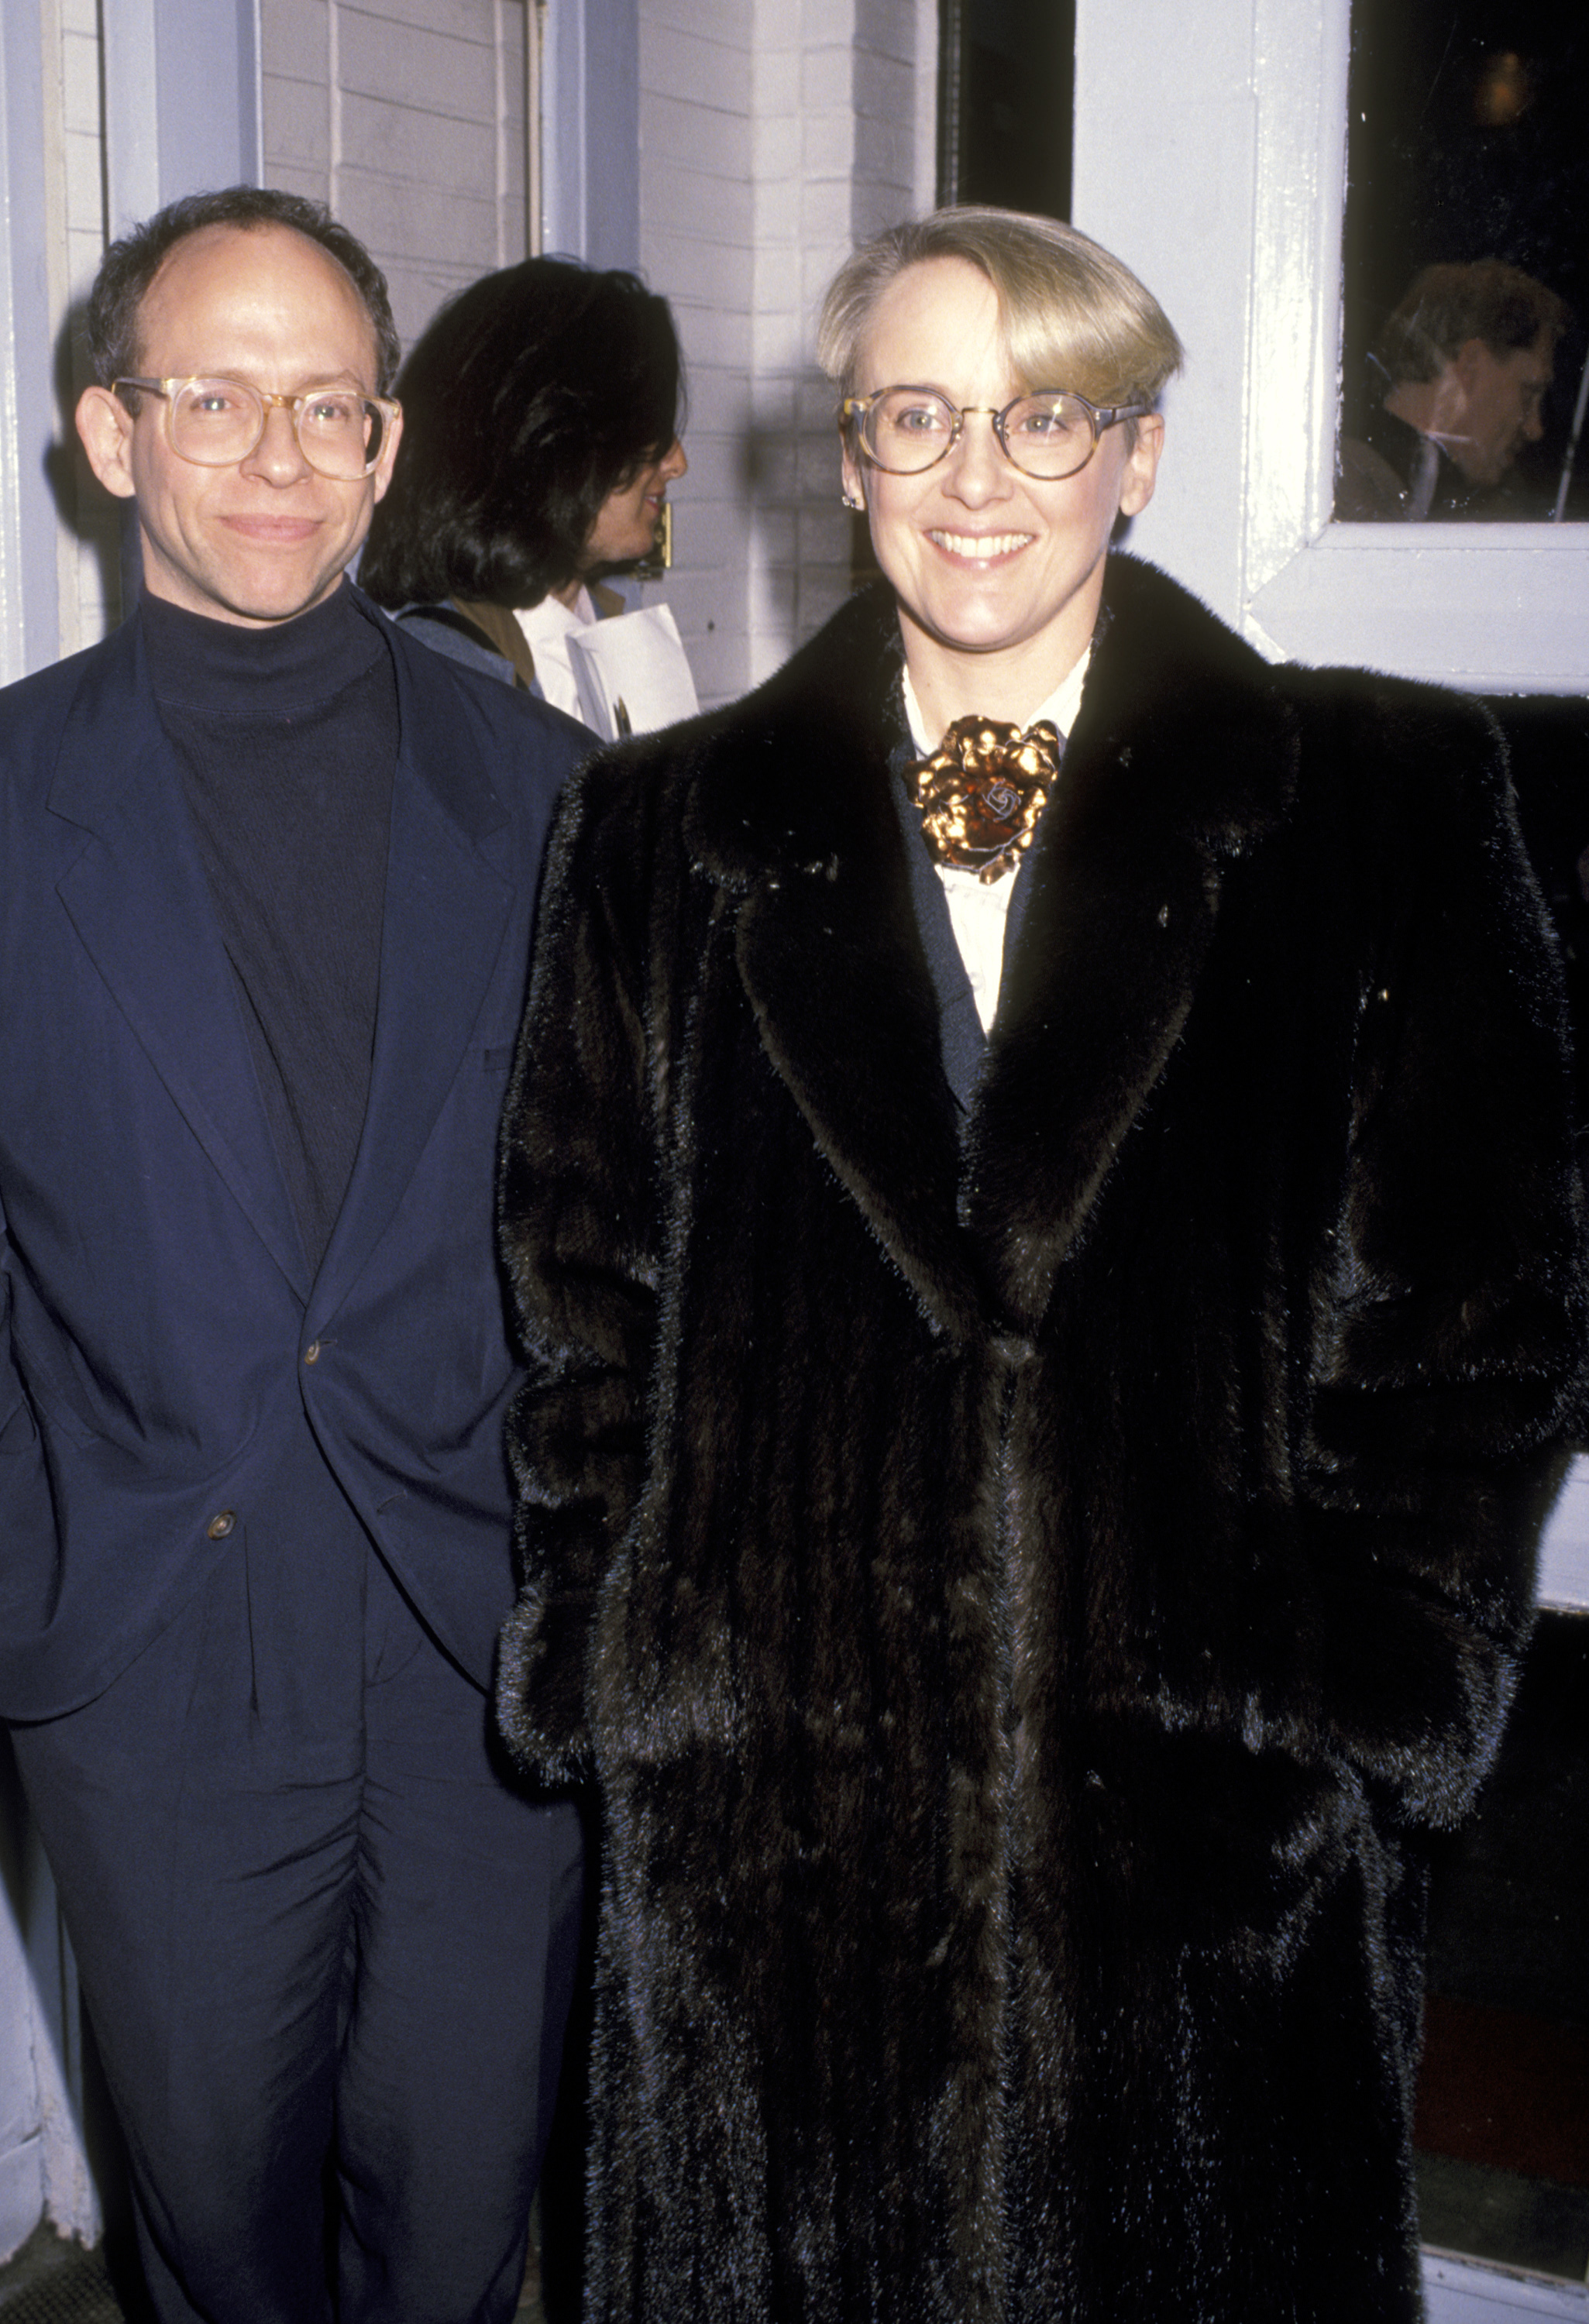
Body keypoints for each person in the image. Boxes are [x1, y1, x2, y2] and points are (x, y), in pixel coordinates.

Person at [492, 205, 1586, 2322]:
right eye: (919, 414)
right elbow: (576, 1291)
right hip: (764, 1868)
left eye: (1041, 416)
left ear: (1139, 452)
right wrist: (620, 1665)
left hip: (1208, 1852)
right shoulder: (646, 830)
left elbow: (1484, 1311)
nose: (977, 477)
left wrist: (1350, 1693)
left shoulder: (1385, 797)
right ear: (849, 456)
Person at [0, 186, 589, 2324]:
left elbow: (615, 1219)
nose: (276, 455)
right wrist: (26, 1550)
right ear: (110, 432)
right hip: (152, 1643)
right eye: (216, 398)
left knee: (459, 2226)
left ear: (386, 443)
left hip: (479, 1647)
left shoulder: (550, 796)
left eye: (326, 406)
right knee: (216, 2245)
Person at [358, 256, 687, 722]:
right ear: (552, 446)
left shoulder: (608, 631)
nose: (677, 463)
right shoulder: (444, 674)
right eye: (646, 430)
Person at [1336, 258, 1567, 519]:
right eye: (1528, 393)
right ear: (1471, 365)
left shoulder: (1354, 476)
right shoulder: (1337, 487)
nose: (1534, 428)